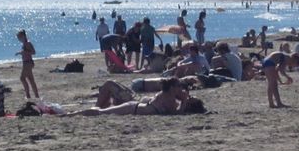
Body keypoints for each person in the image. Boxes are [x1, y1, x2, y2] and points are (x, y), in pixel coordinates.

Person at [65, 78, 203, 116]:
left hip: (134, 107)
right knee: (100, 112)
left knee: (101, 112)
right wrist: (185, 101)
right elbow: (177, 113)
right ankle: (73, 114)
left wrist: (184, 101)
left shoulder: (170, 98)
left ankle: (73, 114)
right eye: (179, 87)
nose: (182, 90)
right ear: (173, 88)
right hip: (133, 107)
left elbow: (176, 113)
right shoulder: (169, 98)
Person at [16, 30, 39, 100]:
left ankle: (28, 95)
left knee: (22, 78)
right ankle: (36, 95)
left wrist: (24, 52)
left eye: (19, 37)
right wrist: (20, 53)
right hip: (26, 62)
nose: (19, 39)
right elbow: (25, 52)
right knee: (30, 79)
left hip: (28, 63)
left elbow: (33, 52)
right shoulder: (24, 44)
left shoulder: (28, 43)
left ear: (23, 36)